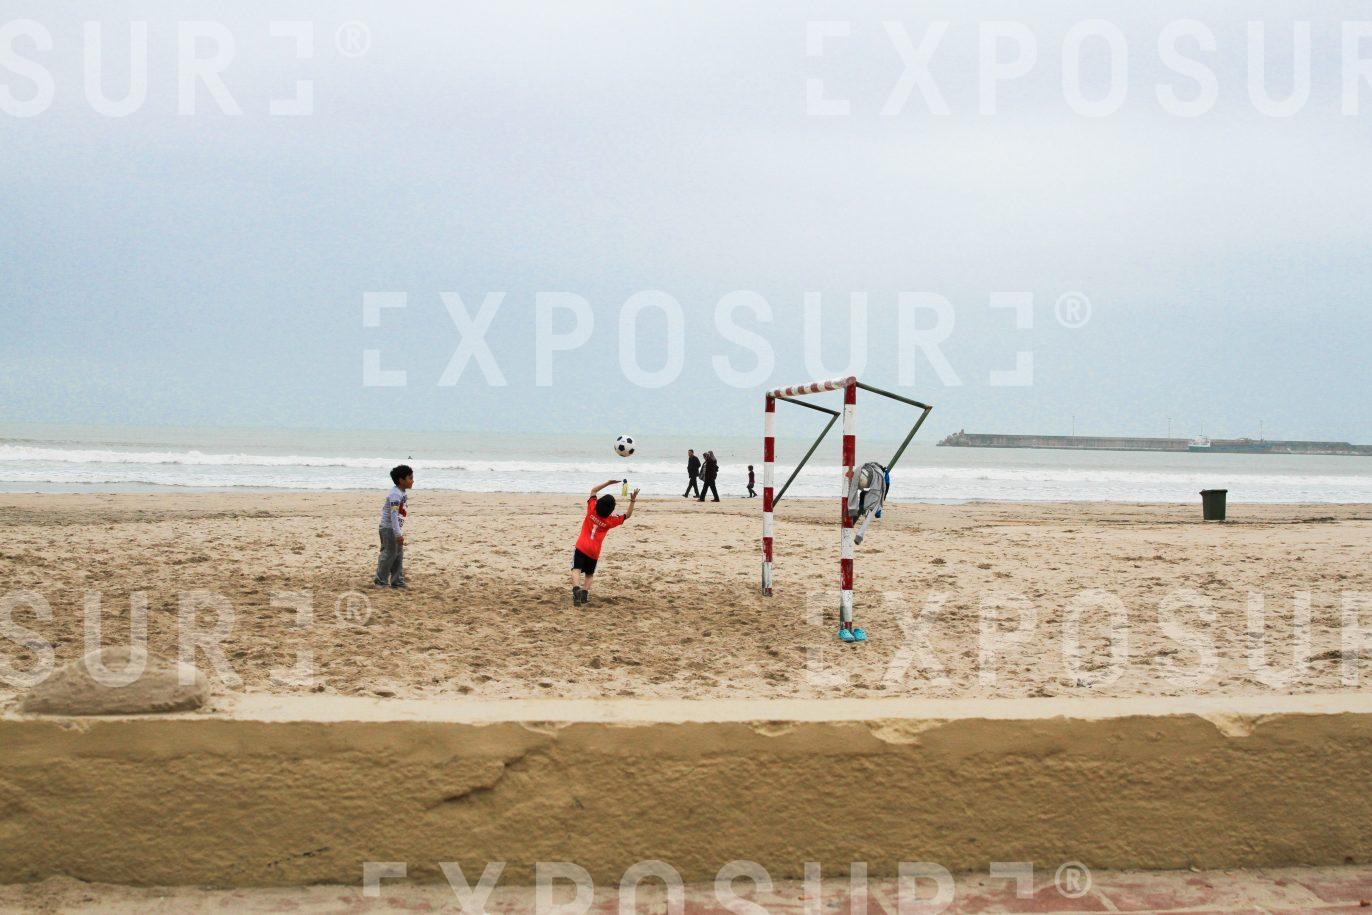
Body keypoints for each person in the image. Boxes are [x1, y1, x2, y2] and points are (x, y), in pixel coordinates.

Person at [570, 478, 639, 606]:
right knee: (589, 574)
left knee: (576, 569)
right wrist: (633, 500)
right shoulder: (610, 521)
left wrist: (608, 483)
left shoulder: (592, 508)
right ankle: (584, 594)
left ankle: (576, 591)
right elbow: (627, 515)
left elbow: (593, 490)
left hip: (581, 546)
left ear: (599, 503)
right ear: (611, 510)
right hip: (594, 551)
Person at [375, 464, 413, 589]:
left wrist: (398, 532)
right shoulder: (395, 494)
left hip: (395, 529)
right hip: (389, 529)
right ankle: (381, 581)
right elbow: (393, 515)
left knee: (398, 555)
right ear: (401, 480)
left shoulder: (401, 492)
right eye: (410, 478)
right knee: (388, 554)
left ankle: (397, 581)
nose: (412, 480)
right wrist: (397, 534)